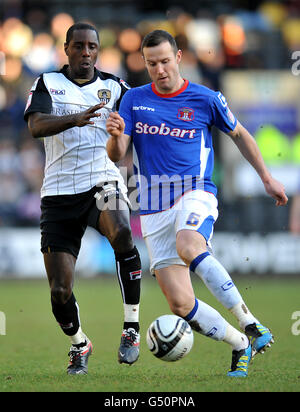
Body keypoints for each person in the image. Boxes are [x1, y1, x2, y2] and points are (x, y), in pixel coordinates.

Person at [106, 30, 288, 377]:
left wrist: (266, 177)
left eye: (164, 61)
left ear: (178, 57)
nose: (159, 69)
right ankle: (240, 343)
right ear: (144, 64)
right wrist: (115, 138)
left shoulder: (205, 98)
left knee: (189, 244)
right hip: (153, 208)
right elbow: (118, 154)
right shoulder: (133, 100)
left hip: (195, 192)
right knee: (180, 303)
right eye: (151, 63)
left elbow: (239, 134)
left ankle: (250, 322)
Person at [24, 22, 142, 375]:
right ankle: (80, 344)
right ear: (66, 49)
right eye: (79, 46)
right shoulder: (47, 83)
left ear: (98, 50)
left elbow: (131, 134)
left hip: (101, 181)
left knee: (121, 231)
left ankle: (131, 328)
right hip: (58, 193)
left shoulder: (115, 87)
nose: (86, 53)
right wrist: (75, 119)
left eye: (92, 47)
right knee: (60, 290)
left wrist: (122, 139)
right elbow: (35, 127)